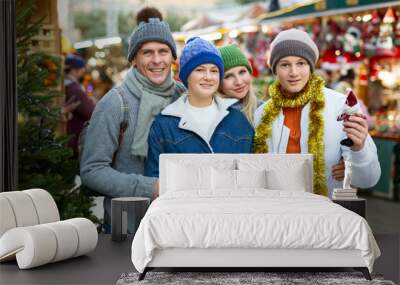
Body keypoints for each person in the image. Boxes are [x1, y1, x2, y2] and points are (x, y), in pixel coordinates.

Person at [80, 14, 185, 231]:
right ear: (134, 59)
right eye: (147, 52)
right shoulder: (115, 103)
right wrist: (151, 187)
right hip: (129, 227)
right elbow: (92, 170)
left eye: (163, 51)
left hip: (177, 223)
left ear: (172, 57)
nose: (157, 60)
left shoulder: (182, 96)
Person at [253, 28, 381, 197]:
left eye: (301, 63)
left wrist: (359, 150)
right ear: (275, 70)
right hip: (278, 211)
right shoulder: (262, 113)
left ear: (311, 67)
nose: (294, 72)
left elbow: (369, 180)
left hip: (326, 213)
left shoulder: (341, 105)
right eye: (285, 64)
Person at [145, 37, 254, 177]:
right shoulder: (164, 125)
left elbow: (250, 175)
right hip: (185, 199)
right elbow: (156, 179)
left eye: (214, 71)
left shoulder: (239, 120)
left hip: (231, 199)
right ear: (186, 76)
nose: (208, 77)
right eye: (200, 70)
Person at [218, 44, 261, 126]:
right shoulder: (218, 119)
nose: (239, 82)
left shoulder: (264, 109)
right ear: (218, 83)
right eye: (228, 76)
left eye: (242, 72)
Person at [64, 54, 95, 157]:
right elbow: (90, 112)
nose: (83, 72)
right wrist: (92, 102)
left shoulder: (67, 85)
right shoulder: (74, 89)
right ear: (74, 70)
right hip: (74, 135)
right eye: (81, 69)